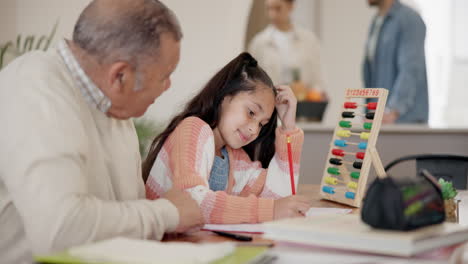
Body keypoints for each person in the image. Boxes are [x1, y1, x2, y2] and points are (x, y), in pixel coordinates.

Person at [0, 0, 203, 263]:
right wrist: (168, 213)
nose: (168, 85)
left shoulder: (115, 107)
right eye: (165, 75)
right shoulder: (34, 89)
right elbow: (60, 233)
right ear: (120, 76)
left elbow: (124, 223)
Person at [143, 52, 311, 224]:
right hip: (160, 244)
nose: (254, 129)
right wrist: (270, 209)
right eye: (251, 112)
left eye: (262, 124)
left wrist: (288, 128)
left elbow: (277, 197)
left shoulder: (236, 159)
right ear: (224, 96)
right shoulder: (192, 130)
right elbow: (191, 201)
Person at [363, 0, 429, 124]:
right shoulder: (376, 22)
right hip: (380, 119)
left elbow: (410, 69)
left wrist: (392, 111)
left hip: (404, 122)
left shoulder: (409, 19)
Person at [248, 0, 326, 101]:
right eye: (269, 9)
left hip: (304, 109)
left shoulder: (309, 40)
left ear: (291, 6)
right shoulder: (258, 43)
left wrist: (312, 93)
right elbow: (252, 82)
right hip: (272, 108)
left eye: (278, 8)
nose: (272, 14)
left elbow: (318, 80)